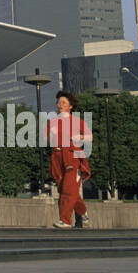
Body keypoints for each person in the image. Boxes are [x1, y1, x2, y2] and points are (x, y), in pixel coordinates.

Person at [47, 90, 92, 229]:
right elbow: (48, 141)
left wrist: (80, 137)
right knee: (66, 189)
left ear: (70, 106)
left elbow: (90, 137)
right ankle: (83, 213)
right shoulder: (53, 122)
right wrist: (51, 136)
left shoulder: (77, 121)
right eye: (59, 102)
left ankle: (65, 220)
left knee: (68, 188)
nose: (60, 104)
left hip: (73, 156)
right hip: (58, 157)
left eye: (63, 102)